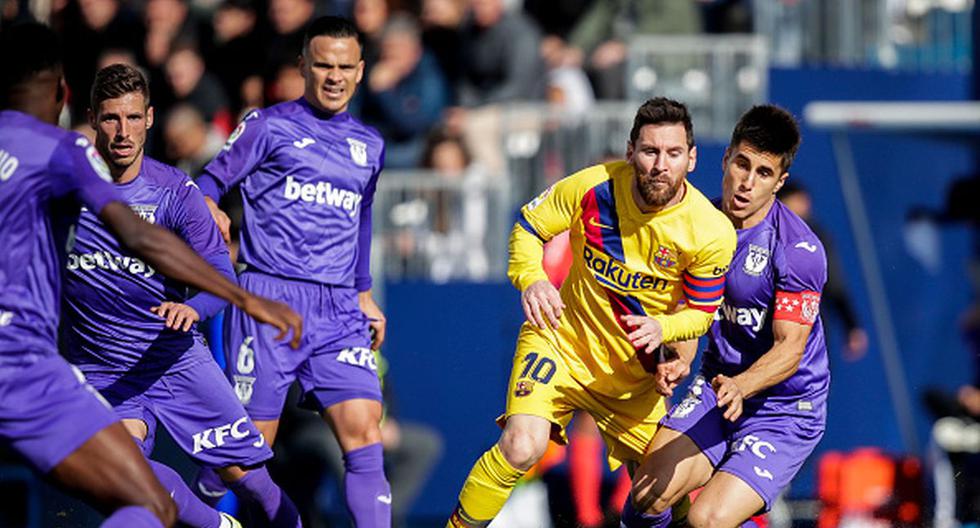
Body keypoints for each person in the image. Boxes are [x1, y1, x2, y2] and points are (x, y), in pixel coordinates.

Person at [0, 22, 300, 528]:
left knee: (251, 480)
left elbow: (218, 272)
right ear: (91, 118)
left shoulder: (175, 192)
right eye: (111, 119)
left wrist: (194, 308)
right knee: (132, 484)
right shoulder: (62, 177)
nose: (122, 132)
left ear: (149, 119)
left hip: (175, 360)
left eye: (133, 118)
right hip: (103, 370)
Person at [445, 97, 737, 527]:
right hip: (561, 344)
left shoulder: (711, 231)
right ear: (630, 151)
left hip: (633, 375)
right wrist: (533, 279)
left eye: (673, 153)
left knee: (663, 492)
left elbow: (700, 313)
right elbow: (528, 227)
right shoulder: (592, 187)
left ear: (691, 159)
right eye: (650, 151)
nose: (660, 165)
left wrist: (666, 332)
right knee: (522, 445)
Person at [192, 16, 391, 528]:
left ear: (361, 71)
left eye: (345, 67)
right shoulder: (267, 126)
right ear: (303, 66)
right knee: (245, 455)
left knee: (365, 433)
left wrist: (363, 293)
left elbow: (361, 218)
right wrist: (210, 206)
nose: (334, 77)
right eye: (323, 65)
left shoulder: (370, 145)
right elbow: (209, 181)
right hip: (269, 301)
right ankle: (216, 497)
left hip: (339, 308)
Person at [623, 105, 828, 528]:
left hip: (784, 409)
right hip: (717, 388)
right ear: (725, 159)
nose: (747, 183)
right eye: (742, 164)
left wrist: (742, 385)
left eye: (764, 173)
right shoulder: (695, 226)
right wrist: (679, 359)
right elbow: (693, 310)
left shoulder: (798, 250)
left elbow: (790, 349)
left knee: (707, 519)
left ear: (780, 182)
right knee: (647, 493)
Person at [777, 182, 868, 359]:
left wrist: (851, 325)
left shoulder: (817, 240)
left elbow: (834, 284)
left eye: (803, 202)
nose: (802, 207)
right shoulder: (762, 235)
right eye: (795, 202)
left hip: (806, 333)